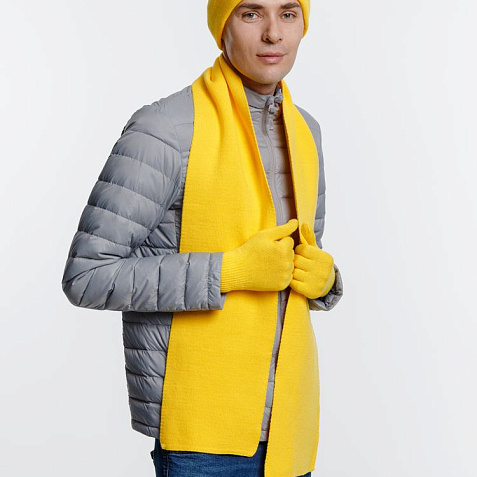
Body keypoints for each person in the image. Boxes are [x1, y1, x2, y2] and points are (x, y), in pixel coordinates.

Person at [61, 0, 344, 476]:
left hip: (289, 425)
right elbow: (87, 275)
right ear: (222, 24)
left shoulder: (304, 131)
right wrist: (229, 271)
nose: (273, 33)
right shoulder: (164, 129)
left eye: (288, 13)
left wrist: (326, 282)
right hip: (200, 435)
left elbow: (292, 266)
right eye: (251, 13)